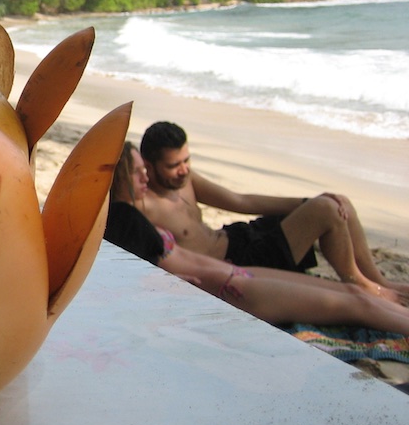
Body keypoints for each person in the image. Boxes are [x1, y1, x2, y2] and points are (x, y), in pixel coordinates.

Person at [106, 141, 409, 336]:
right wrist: (171, 287)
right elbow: (121, 275)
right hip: (232, 290)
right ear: (118, 177)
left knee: (353, 295)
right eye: (136, 172)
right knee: (356, 305)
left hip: (238, 272)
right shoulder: (122, 218)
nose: (145, 177)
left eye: (144, 170)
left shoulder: (128, 215)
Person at [139, 120, 409, 304]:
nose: (184, 170)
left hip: (240, 237)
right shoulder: (144, 205)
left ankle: (377, 280)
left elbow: (241, 201)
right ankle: (361, 284)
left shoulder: (186, 180)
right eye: (174, 165)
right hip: (237, 262)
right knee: (327, 210)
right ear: (148, 166)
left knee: (339, 203)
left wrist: (305, 201)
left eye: (187, 160)